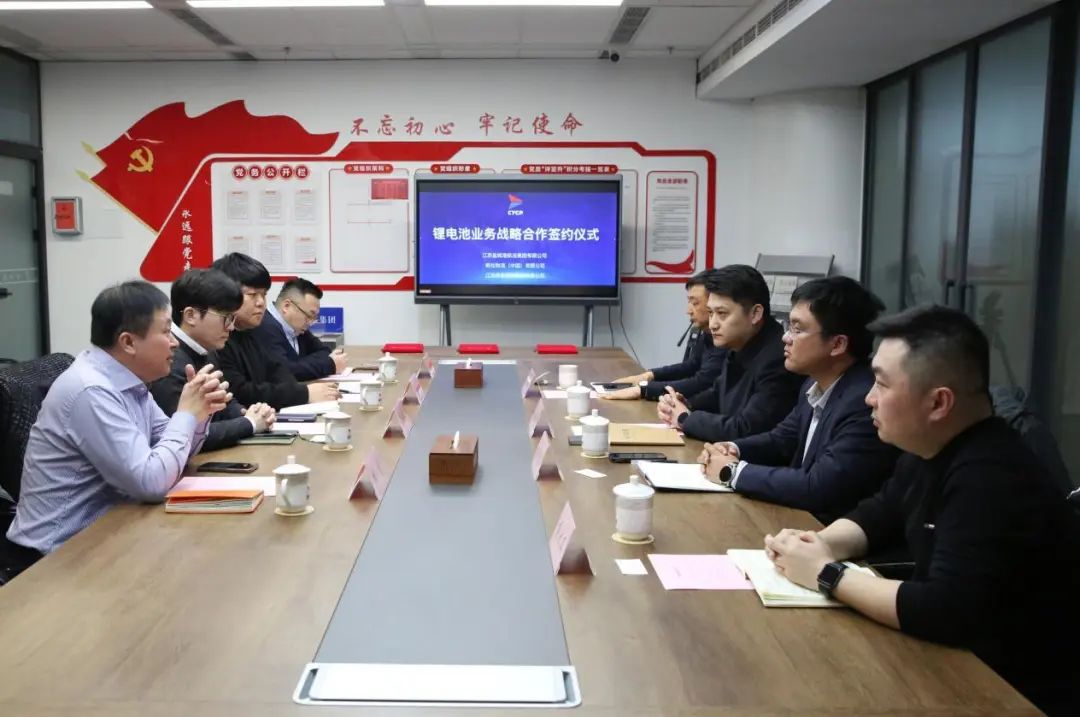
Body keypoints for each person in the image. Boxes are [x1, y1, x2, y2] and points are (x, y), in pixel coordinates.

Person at [763, 306, 1080, 716]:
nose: (868, 398)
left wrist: (827, 574)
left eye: (881, 384)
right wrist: (818, 543)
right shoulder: (931, 448)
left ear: (938, 403)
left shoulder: (990, 476)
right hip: (952, 665)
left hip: (1009, 691)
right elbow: (881, 512)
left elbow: (944, 609)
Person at [1, 281, 228, 582]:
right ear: (128, 342)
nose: (174, 342)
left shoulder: (130, 380)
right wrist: (186, 414)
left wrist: (200, 414)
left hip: (106, 539)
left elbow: (173, 452)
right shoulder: (91, 390)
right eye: (165, 331)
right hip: (52, 561)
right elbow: (151, 482)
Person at [698, 277, 899, 523]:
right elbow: (781, 439)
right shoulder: (814, 382)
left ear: (837, 344)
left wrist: (733, 472)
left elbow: (818, 487)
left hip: (829, 533)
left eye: (797, 329)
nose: (785, 338)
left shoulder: (863, 402)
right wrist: (732, 448)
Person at [658, 265, 802, 442]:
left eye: (722, 313)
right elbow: (718, 393)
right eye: (710, 313)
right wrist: (685, 404)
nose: (713, 324)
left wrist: (685, 418)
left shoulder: (779, 358)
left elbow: (745, 429)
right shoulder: (740, 342)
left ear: (755, 314)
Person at [150, 269, 276, 451]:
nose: (231, 327)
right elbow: (183, 435)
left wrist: (250, 413)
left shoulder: (206, 348)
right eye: (226, 318)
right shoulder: (168, 360)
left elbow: (224, 402)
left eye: (233, 318)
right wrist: (249, 423)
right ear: (191, 315)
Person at [210, 253, 340, 409]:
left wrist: (302, 391)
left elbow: (278, 371)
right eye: (252, 295)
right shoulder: (218, 338)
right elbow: (240, 393)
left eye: (263, 295)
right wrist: (304, 394)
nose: (261, 302)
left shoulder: (251, 329)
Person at [602, 269, 726, 400]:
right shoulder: (706, 334)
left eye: (695, 303)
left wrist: (644, 389)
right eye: (689, 302)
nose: (688, 311)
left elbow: (701, 382)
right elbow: (691, 366)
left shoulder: (725, 341)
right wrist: (648, 376)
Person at [252, 278, 347, 381]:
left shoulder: (297, 328)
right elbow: (284, 373)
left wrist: (298, 366)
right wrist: (329, 364)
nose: (310, 322)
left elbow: (325, 351)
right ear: (286, 306)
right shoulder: (265, 327)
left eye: (314, 318)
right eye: (309, 315)